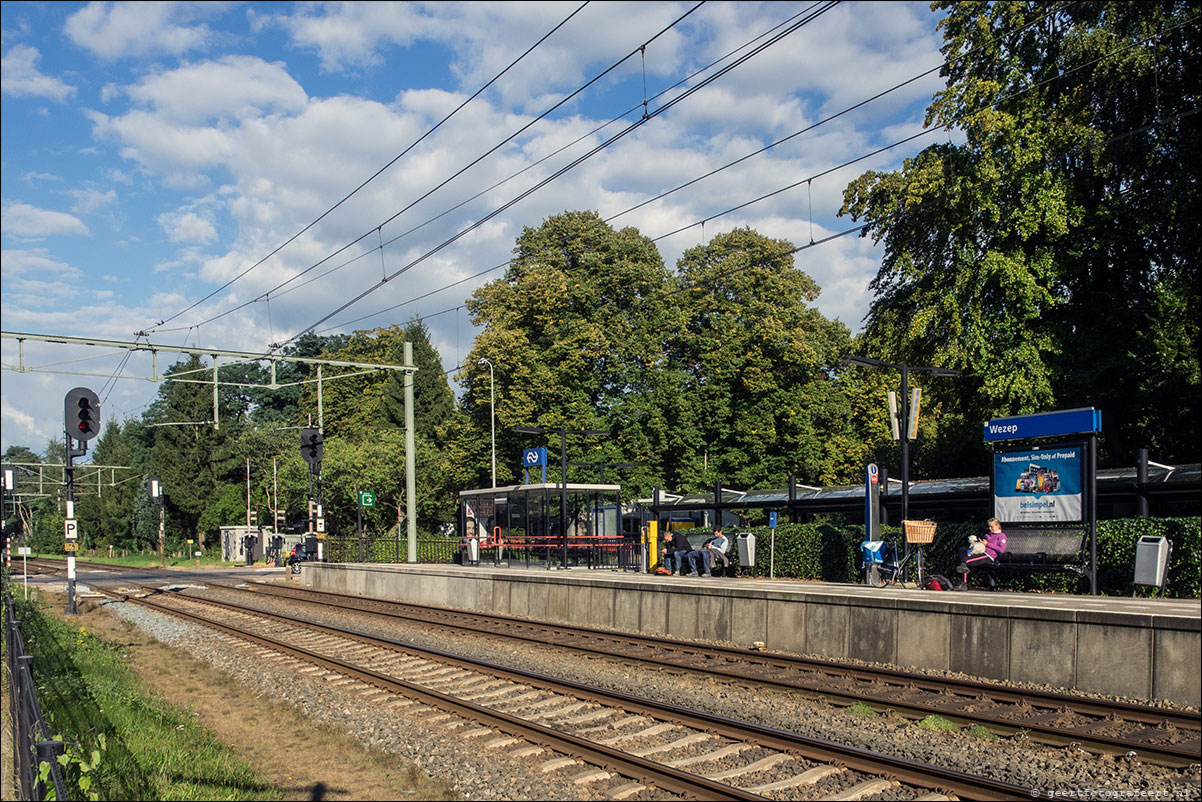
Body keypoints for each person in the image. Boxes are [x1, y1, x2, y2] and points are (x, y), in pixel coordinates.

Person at [954, 517, 1007, 589]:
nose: (990, 528)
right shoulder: (988, 535)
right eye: (989, 527)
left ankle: (964, 583)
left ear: (998, 526)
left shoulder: (1001, 536)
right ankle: (963, 568)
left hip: (988, 556)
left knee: (965, 561)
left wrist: (987, 544)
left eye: (992, 527)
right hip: (979, 551)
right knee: (963, 550)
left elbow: (1001, 550)